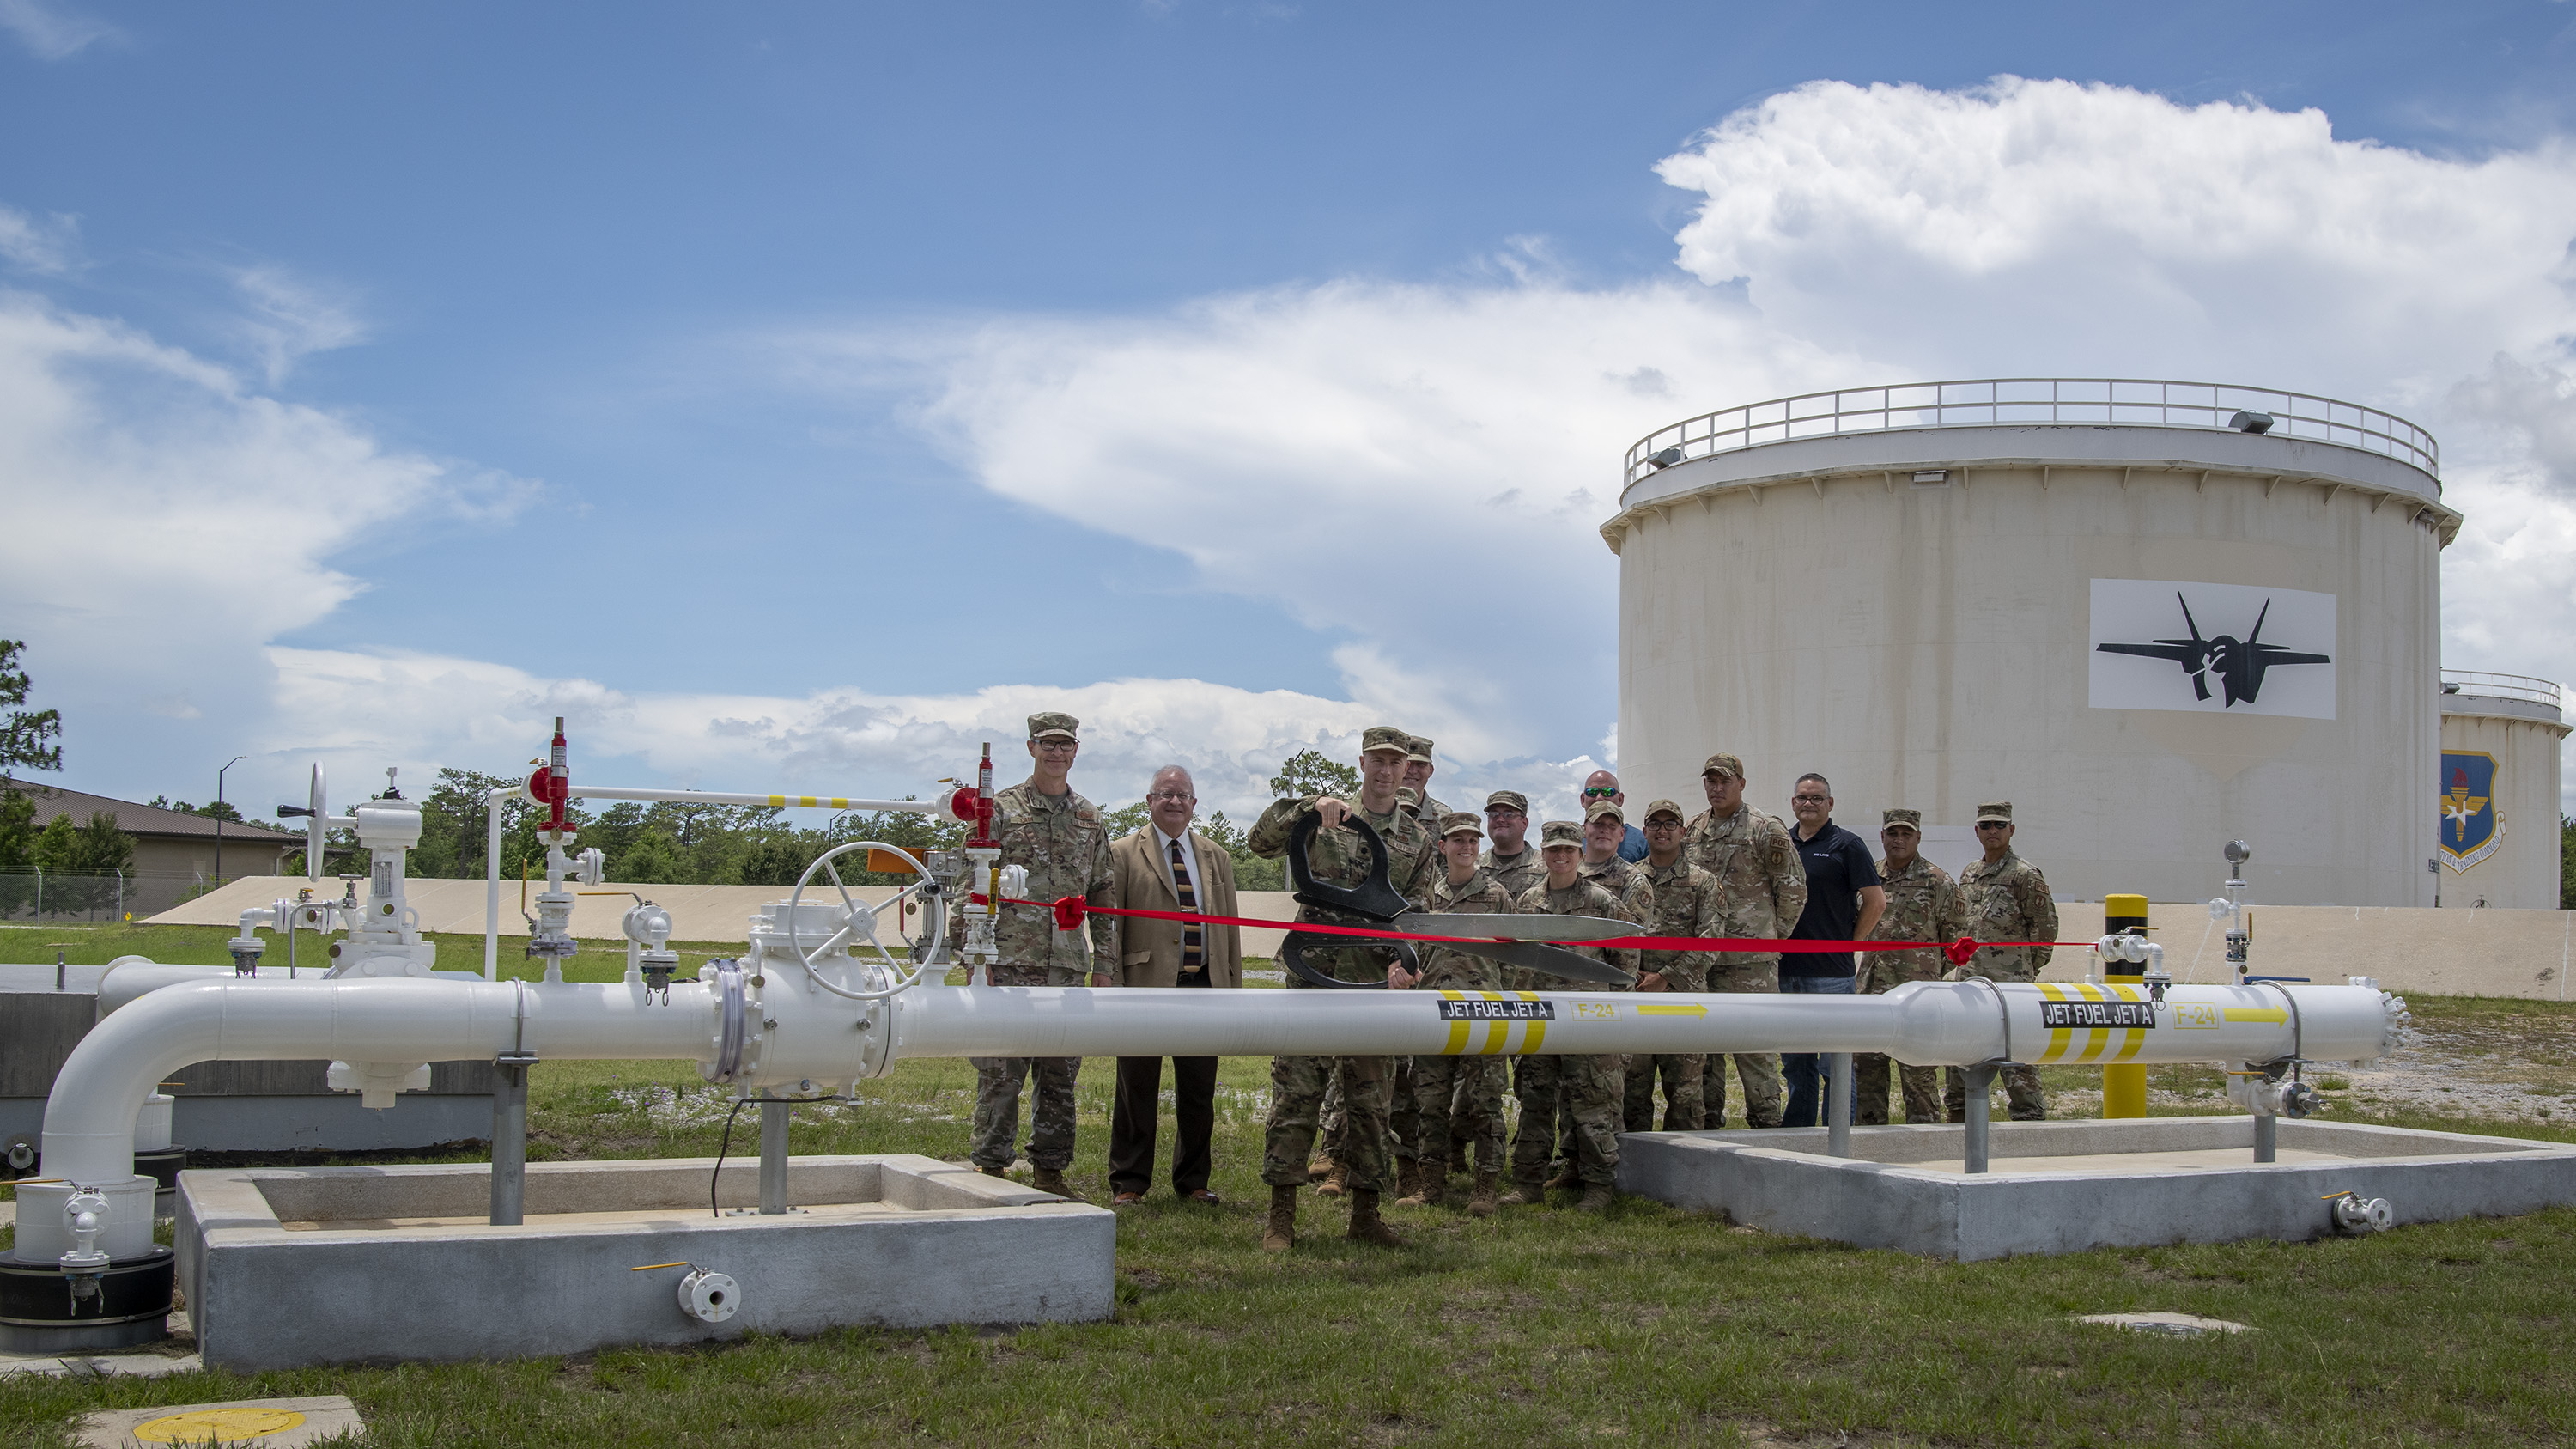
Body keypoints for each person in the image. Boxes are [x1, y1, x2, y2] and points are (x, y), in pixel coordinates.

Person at [1248, 724, 1440, 1251]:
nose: (1385, 770)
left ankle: (1366, 1214)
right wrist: (1309, 806)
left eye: (1395, 762)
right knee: (1297, 1092)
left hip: (1375, 984)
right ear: (1361, 763)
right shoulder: (1327, 818)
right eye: (1376, 760)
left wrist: (1405, 963)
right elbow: (1259, 842)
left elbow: (1415, 914)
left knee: (1371, 1102)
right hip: (1313, 973)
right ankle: (1281, 1216)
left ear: (1407, 770)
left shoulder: (1418, 842)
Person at [963, 711, 1115, 1200]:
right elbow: (971, 882)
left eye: (1065, 745)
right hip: (1007, 960)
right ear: (1031, 749)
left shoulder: (1090, 817)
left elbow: (1103, 893)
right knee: (1001, 1072)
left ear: (1075, 752)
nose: (1056, 753)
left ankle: (1051, 1171)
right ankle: (989, 1169)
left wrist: (1106, 964)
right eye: (1047, 744)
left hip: (1066, 966)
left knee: (1060, 1075)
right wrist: (968, 953)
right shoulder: (1002, 809)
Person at [1103, 765, 1242, 1207]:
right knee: (1136, 1087)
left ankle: (1193, 1181)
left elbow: (1231, 926)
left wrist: (1232, 985)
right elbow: (1110, 923)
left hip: (1205, 985)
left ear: (1194, 804)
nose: (1175, 802)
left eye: (1183, 795)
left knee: (1199, 1089)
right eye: (1165, 794)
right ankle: (1130, 1182)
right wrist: (1111, 975)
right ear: (1149, 801)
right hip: (1146, 985)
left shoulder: (1216, 856)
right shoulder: (1123, 852)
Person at [1501, 821, 1637, 1211]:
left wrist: (1614, 1014)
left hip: (1588, 1022)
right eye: (1553, 851)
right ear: (1542, 855)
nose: (1560, 857)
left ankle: (1598, 1186)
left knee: (1593, 1105)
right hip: (1539, 1020)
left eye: (1568, 851)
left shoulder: (1602, 903)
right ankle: (1528, 1182)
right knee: (1535, 1103)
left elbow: (1625, 963)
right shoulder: (1527, 903)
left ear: (1580, 854)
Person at [1395, 811, 1516, 1215]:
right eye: (1457, 840)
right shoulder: (1426, 896)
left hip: (1484, 1013)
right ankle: (1432, 1184)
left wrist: (1500, 998)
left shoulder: (1497, 896)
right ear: (1442, 846)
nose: (1465, 847)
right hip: (1433, 1013)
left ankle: (1486, 1188)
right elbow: (1411, 951)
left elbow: (1514, 960)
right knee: (1430, 1103)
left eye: (1472, 841)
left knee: (1485, 1103)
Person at [1685, 752, 1806, 1129]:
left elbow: (1793, 892)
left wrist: (1768, 939)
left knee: (1755, 1050)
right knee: (1705, 1053)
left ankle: (1767, 1128)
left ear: (1741, 783)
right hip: (1703, 962)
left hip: (1750, 964)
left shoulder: (1764, 829)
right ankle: (1707, 1128)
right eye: (1711, 781)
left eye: (1725, 781)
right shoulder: (1693, 829)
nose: (1717, 788)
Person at [1777, 774, 1885, 1129]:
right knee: (1796, 1064)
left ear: (1830, 804)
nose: (1809, 804)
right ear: (1793, 803)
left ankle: (1838, 1135)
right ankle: (1799, 1134)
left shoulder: (1847, 845)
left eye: (1817, 798)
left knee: (1833, 1064)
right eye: (1803, 798)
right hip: (1787, 970)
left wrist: (1852, 945)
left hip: (1831, 975)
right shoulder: (1783, 845)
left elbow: (1875, 901)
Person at [1946, 801, 2058, 1123]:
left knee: (2017, 1052)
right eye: (1985, 826)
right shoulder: (1970, 873)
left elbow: (2045, 929)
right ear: (1976, 831)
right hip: (1969, 980)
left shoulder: (2024, 875)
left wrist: (2023, 968)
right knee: (1962, 1049)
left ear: (2011, 829)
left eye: (1998, 825)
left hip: (2011, 985)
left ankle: (2029, 1119)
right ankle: (1959, 1117)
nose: (1992, 831)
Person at [1621, 800, 1724, 1132]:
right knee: (1632, 1092)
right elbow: (1620, 933)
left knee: (1685, 1094)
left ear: (1682, 831)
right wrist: (1633, 972)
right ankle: (1636, 1171)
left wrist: (1666, 978)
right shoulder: (1631, 879)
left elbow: (1712, 941)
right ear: (1645, 830)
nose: (1662, 830)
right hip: (1637, 999)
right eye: (1655, 823)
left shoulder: (1703, 881)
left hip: (1685, 1001)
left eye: (1670, 824)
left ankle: (1687, 1170)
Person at [1856, 808, 1963, 1125]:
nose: (1898, 840)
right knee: (1866, 1072)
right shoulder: (1869, 877)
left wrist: (1927, 972)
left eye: (1906, 834)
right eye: (1892, 833)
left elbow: (1956, 937)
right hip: (1872, 991)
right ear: (1882, 837)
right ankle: (1870, 1139)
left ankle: (1925, 1138)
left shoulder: (1937, 880)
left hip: (1918, 998)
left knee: (1919, 1074)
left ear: (1918, 837)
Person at [1479, 790, 1546, 898]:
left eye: (1508, 814)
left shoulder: (1547, 867)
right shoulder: (1473, 868)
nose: (1500, 819)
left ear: (1524, 823)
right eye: (1494, 814)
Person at [1580, 769, 1649, 862]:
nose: (1599, 797)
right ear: (1582, 799)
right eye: (1592, 792)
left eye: (1608, 792)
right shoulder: (1571, 842)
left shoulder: (1642, 842)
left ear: (1620, 799)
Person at [1403, 736, 1453, 822]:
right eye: (1408, 764)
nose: (1413, 771)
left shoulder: (1444, 816)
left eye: (1420, 764)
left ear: (1430, 771)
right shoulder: (1376, 808)